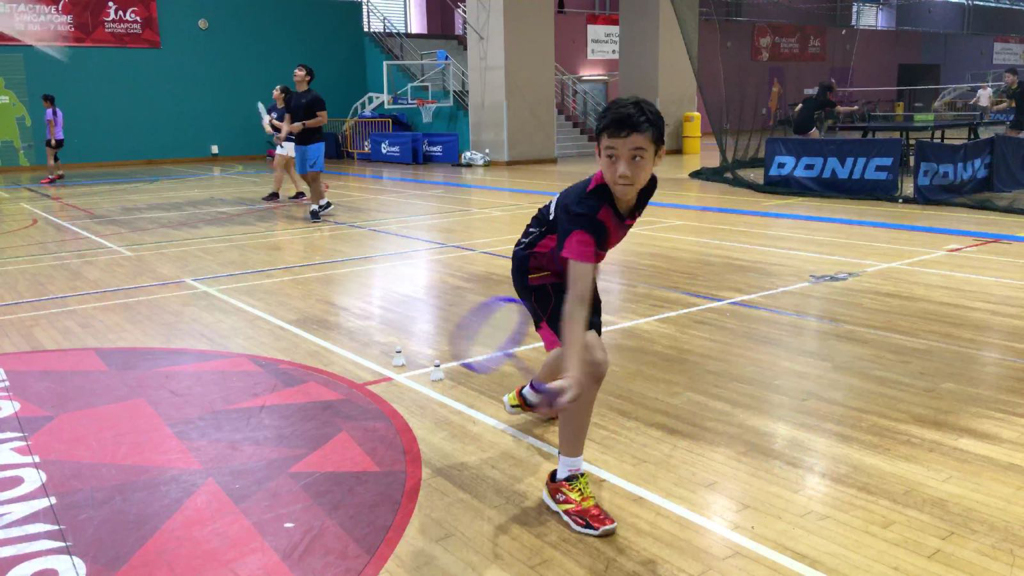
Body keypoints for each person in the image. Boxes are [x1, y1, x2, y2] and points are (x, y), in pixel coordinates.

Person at [501, 96, 666, 537]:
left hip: (576, 264)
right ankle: (565, 480)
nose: (623, 170)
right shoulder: (584, 211)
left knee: (577, 349)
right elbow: (575, 300)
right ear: (597, 153)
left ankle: (532, 395)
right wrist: (576, 372)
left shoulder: (645, 187)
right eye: (611, 156)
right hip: (540, 270)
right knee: (590, 360)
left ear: (658, 156)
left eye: (637, 156)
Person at [276, 64, 333, 222]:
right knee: (303, 174)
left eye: (300, 70)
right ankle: (324, 201)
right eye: (295, 69)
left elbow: (323, 119)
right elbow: (287, 120)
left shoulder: (315, 97)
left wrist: (303, 124)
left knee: (314, 175)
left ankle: (314, 208)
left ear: (307, 77)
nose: (295, 71)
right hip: (299, 142)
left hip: (315, 141)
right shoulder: (290, 98)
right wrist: (282, 134)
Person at [262, 85, 307, 202]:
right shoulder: (272, 108)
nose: (273, 91)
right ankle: (300, 192)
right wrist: (267, 127)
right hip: (281, 140)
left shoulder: (289, 110)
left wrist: (272, 121)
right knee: (289, 168)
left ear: (282, 95)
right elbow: (265, 120)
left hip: (289, 141)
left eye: (276, 90)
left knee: (278, 166)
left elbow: (287, 126)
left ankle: (275, 193)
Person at [791, 81, 858, 137]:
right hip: (808, 125)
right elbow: (840, 110)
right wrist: (854, 108)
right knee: (817, 143)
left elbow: (796, 110)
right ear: (828, 93)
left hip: (796, 125)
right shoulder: (826, 101)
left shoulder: (807, 99)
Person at [40, 94, 64, 184]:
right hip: (61, 138)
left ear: (48, 102)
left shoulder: (49, 111)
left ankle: (50, 177)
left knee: (50, 157)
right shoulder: (59, 111)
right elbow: (62, 124)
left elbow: (52, 125)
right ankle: (60, 173)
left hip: (54, 138)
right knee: (54, 156)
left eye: (44, 102)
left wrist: (52, 139)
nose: (43, 104)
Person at [992, 68, 1022, 137]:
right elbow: (1008, 104)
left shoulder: (1022, 85)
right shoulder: (1009, 90)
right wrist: (996, 108)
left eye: (1008, 77)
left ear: (1015, 77)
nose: (1006, 79)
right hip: (1019, 116)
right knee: (1010, 135)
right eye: (1005, 77)